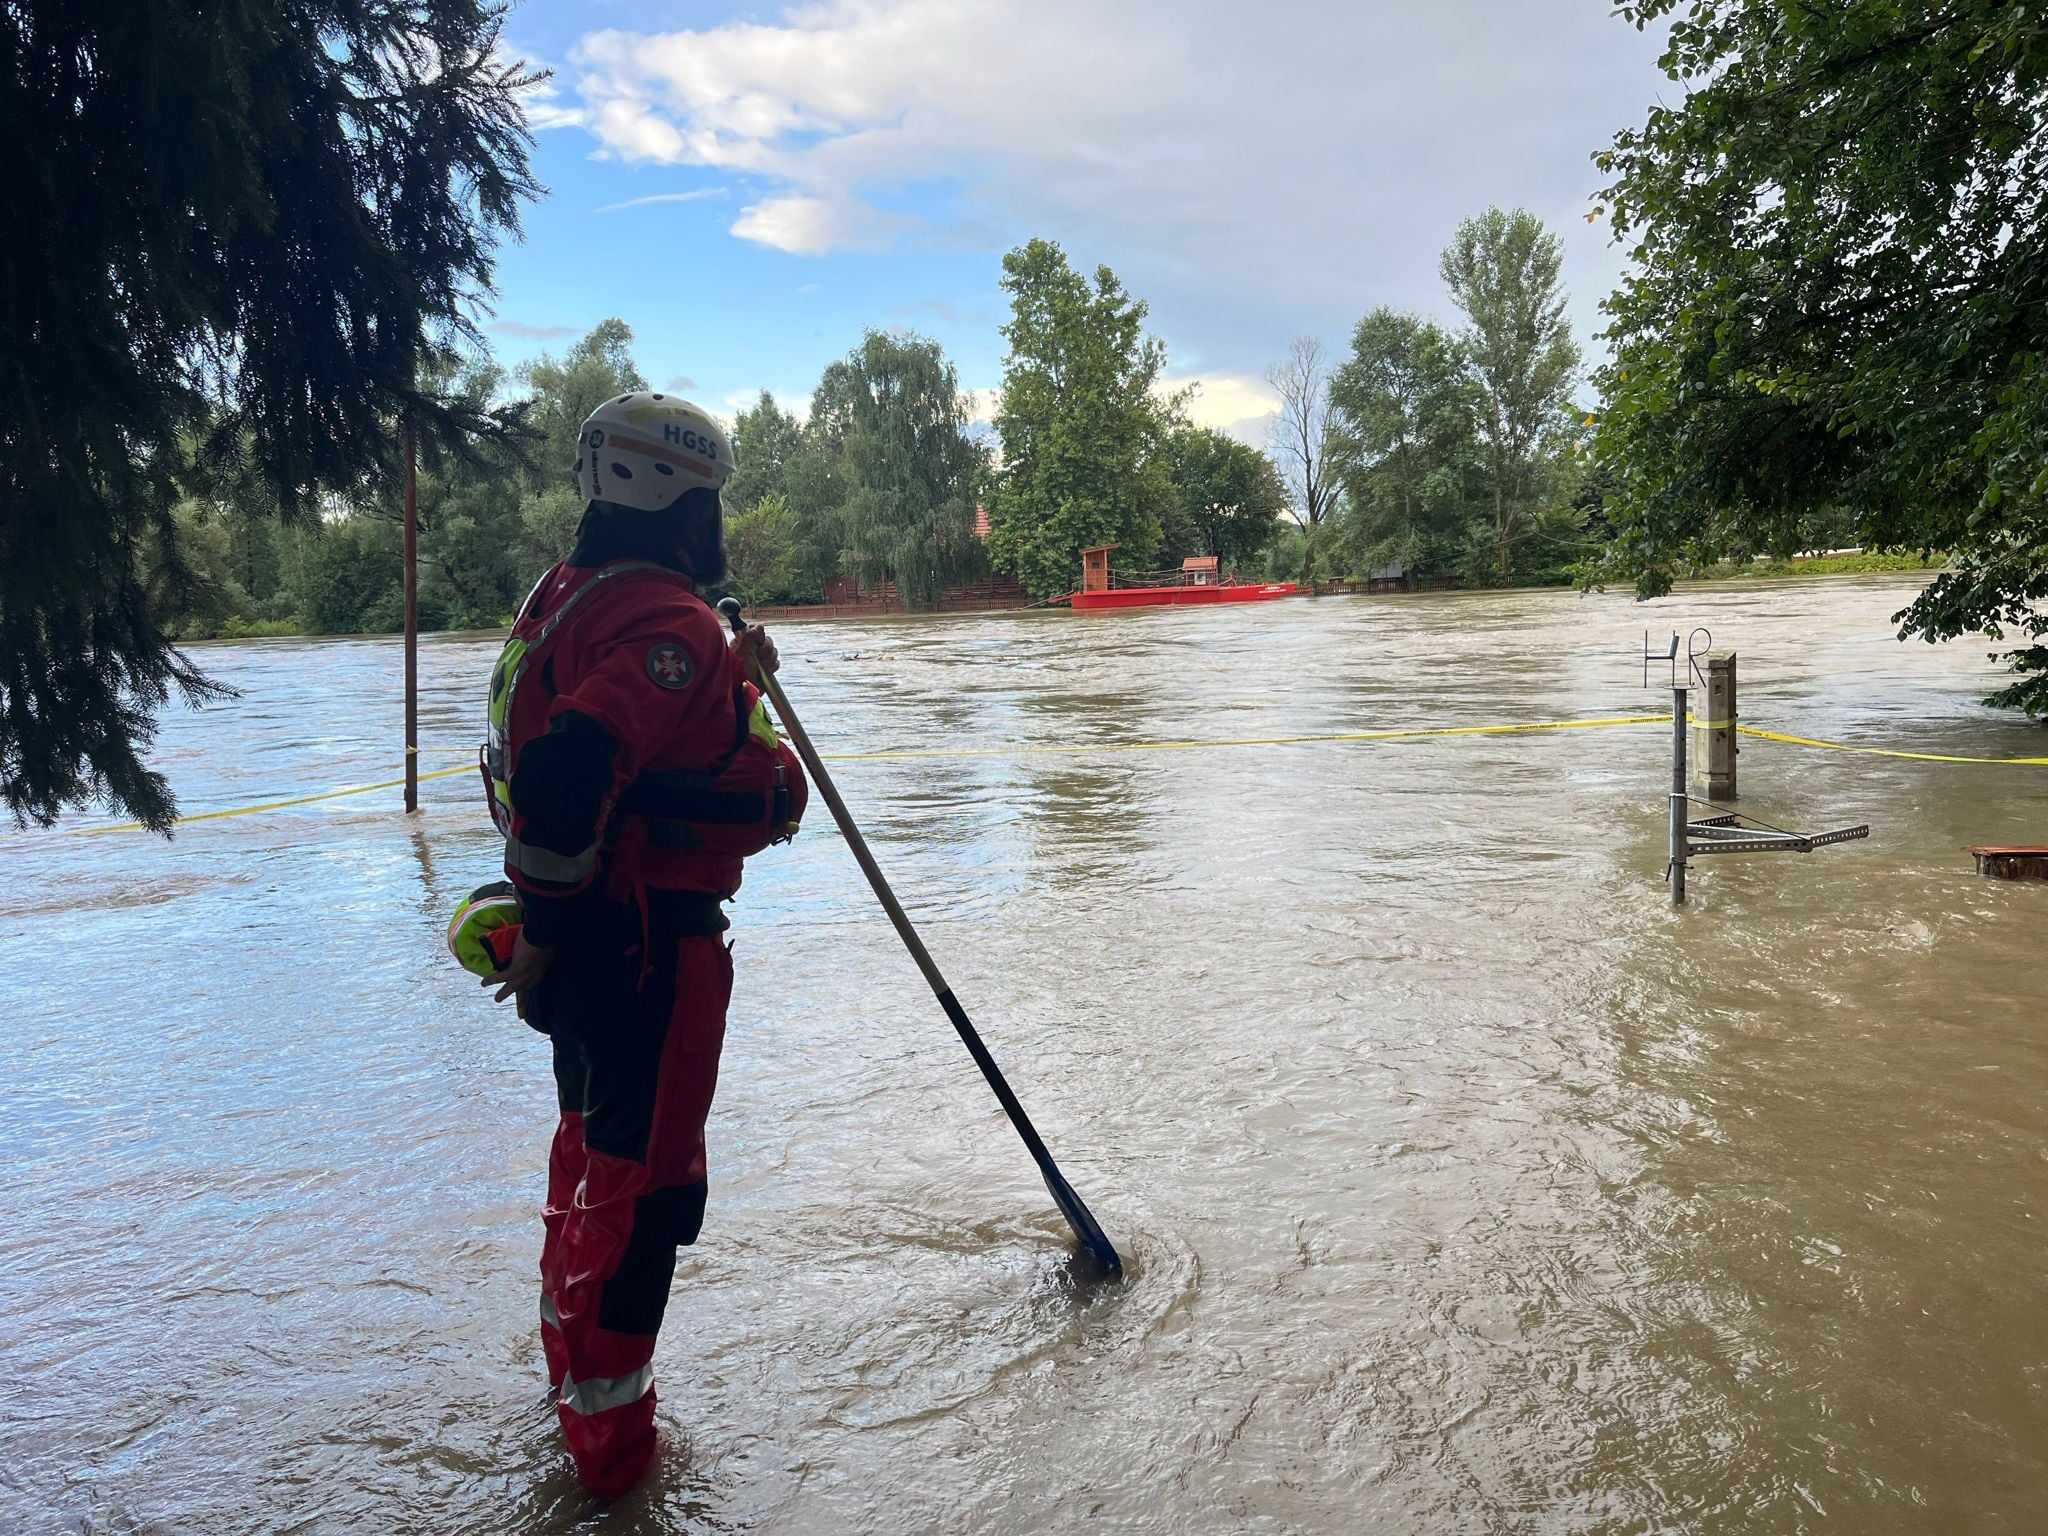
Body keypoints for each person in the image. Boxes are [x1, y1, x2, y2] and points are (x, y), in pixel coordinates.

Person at [478, 392, 807, 1499]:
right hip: (644, 950)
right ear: (677, 498)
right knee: (642, 1197)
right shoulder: (667, 625)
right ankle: (615, 1475)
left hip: (582, 950)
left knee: (590, 1158)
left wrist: (735, 672)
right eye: (712, 504)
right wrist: (551, 930)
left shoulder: (566, 595)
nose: (719, 527)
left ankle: (569, 1396)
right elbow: (569, 773)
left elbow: (590, 760)